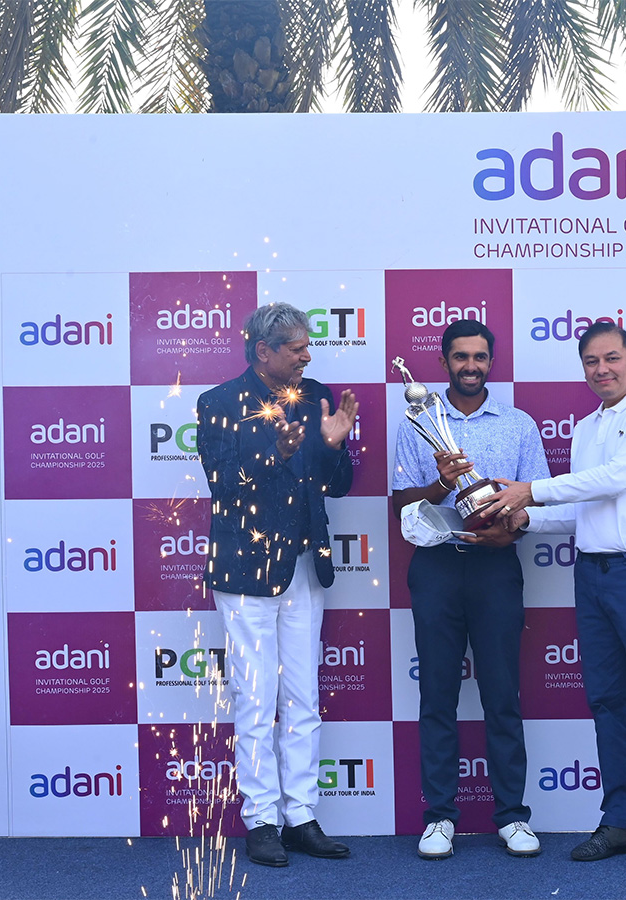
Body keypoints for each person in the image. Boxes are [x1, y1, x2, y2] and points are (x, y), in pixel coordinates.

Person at [478, 321, 626, 868]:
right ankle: (621, 822)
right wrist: (523, 517)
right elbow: (581, 510)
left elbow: (618, 478)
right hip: (593, 574)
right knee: (606, 703)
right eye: (591, 362)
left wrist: (530, 489)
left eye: (611, 358)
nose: (602, 369)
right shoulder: (584, 427)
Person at [196, 302, 358, 868]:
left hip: (304, 571)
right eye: (295, 347)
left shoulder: (316, 396)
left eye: (308, 345)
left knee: (303, 699)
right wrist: (275, 452)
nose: (307, 355)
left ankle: (301, 815)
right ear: (263, 351)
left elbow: (337, 487)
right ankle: (261, 819)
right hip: (245, 573)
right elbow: (222, 486)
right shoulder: (217, 402)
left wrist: (335, 448)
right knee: (255, 698)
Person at [391, 319, 549, 860]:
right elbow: (400, 505)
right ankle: (439, 818)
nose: (470, 366)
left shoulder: (519, 424)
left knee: (503, 695)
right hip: (435, 568)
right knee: (437, 695)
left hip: (496, 567)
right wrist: (441, 479)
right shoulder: (416, 422)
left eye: (480, 357)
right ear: (443, 362)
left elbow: (535, 502)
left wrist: (512, 529)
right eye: (460, 357)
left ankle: (512, 817)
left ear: (492, 361)